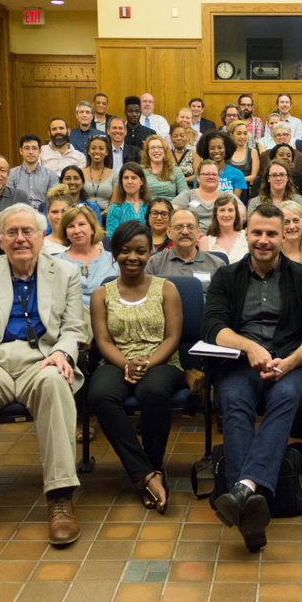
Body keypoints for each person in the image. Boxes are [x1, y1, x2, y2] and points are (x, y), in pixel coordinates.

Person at [0, 204, 88, 554]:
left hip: (42, 359)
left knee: (57, 383)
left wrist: (63, 353)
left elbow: (74, 326)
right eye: (12, 233)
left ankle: (60, 498)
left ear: (42, 237)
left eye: (28, 231)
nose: (21, 239)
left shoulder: (66, 273)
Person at [203, 204, 302, 551]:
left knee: (285, 397)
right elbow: (213, 325)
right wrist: (249, 348)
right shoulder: (226, 277)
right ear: (246, 234)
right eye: (257, 232)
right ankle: (250, 499)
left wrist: (289, 362)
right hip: (241, 365)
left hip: (290, 365)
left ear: (284, 235)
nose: (263, 240)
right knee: (233, 398)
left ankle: (240, 491)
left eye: (271, 233)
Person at [88, 221, 184, 515]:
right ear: (115, 252)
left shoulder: (166, 289)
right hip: (116, 360)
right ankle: (146, 474)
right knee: (100, 394)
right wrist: (127, 363)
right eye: (125, 251)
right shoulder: (101, 294)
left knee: (153, 390)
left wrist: (148, 363)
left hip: (163, 360)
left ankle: (153, 464)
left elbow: (172, 337)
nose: (133, 257)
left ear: (149, 253)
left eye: (141, 251)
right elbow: (102, 341)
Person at [144, 208, 226, 291]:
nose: (185, 231)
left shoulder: (217, 265)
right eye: (179, 227)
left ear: (198, 232)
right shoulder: (153, 264)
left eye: (190, 227)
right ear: (169, 232)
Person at [53, 205, 118, 309]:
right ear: (65, 232)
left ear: (92, 229)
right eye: (71, 226)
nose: (77, 231)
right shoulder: (55, 262)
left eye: (82, 224)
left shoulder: (114, 261)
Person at [173, 160, 238, 234]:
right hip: (192, 237)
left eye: (214, 174)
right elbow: (171, 212)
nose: (211, 177)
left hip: (220, 236)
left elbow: (241, 215)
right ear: (198, 177)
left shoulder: (226, 195)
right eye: (207, 174)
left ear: (219, 177)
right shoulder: (188, 195)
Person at [8, 134, 58, 213]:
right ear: (21, 151)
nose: (30, 152)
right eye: (27, 148)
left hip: (44, 216)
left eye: (34, 148)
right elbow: (9, 200)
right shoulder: (11, 174)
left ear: (40, 151)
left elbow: (53, 202)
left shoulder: (51, 175)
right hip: (19, 215)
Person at [105, 162, 151, 238]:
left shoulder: (150, 206)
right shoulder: (114, 208)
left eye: (134, 178)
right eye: (126, 178)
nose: (129, 182)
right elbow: (111, 238)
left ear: (142, 181)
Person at [194, 130, 247, 195]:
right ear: (207, 150)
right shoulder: (201, 174)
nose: (216, 151)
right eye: (212, 148)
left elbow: (236, 201)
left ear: (226, 149)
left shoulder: (237, 174)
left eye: (220, 147)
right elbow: (196, 197)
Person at [202, 193, 249, 262]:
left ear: (236, 214)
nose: (226, 215)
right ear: (215, 214)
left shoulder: (246, 236)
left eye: (230, 210)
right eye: (222, 210)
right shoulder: (207, 241)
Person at [142, 134, 188, 201]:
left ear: (165, 150)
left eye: (160, 147)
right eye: (152, 147)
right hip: (147, 207)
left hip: (171, 207)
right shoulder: (140, 171)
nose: (156, 150)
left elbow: (184, 194)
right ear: (147, 152)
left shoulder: (175, 170)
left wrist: (174, 207)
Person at [81, 135, 115, 214]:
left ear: (106, 152)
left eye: (101, 148)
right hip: (83, 214)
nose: (97, 151)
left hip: (106, 215)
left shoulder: (114, 174)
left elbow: (114, 203)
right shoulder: (80, 173)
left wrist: (100, 215)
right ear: (88, 151)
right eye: (93, 148)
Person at [225, 119, 261, 190]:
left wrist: (237, 181)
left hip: (245, 189)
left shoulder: (253, 152)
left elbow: (254, 176)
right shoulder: (225, 152)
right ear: (231, 135)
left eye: (245, 133)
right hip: (227, 188)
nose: (242, 137)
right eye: (239, 133)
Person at [42, 185, 72, 255]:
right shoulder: (40, 245)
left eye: (64, 211)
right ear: (47, 214)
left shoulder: (82, 242)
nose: (59, 217)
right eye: (54, 212)